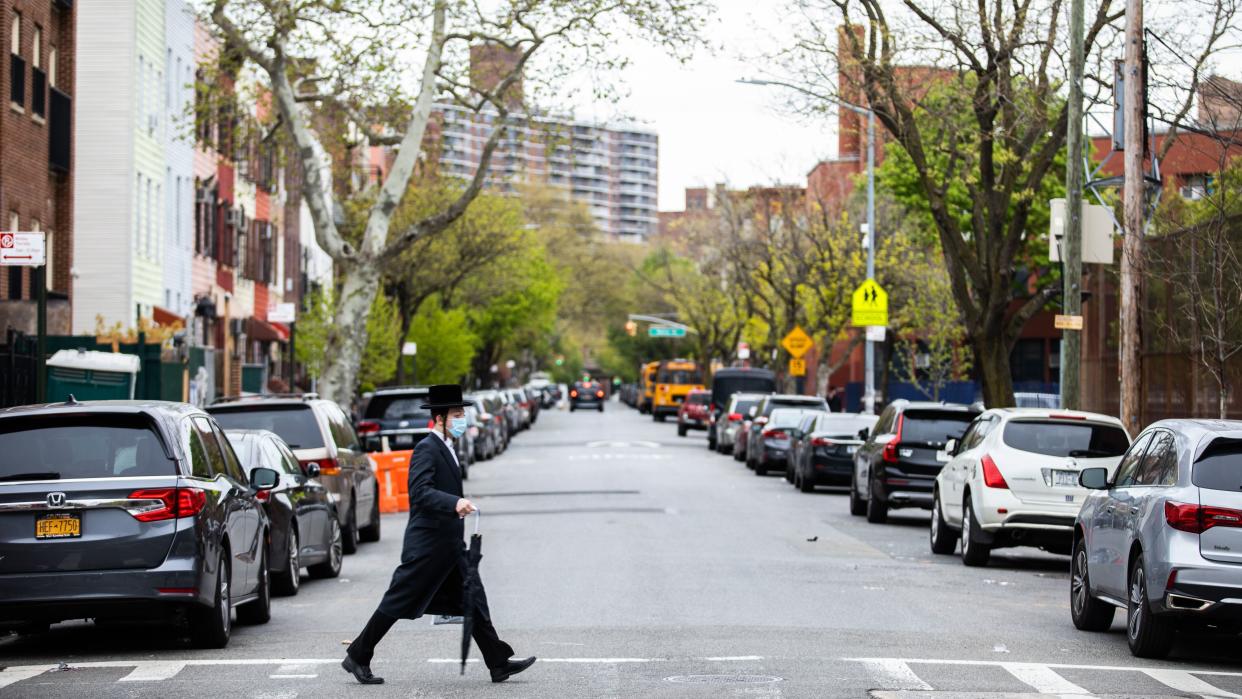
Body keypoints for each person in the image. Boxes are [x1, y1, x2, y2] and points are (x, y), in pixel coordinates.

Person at [342, 384, 536, 685]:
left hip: (449, 545)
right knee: (398, 601)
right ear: (440, 418)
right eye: (457, 414)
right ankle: (358, 654)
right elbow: (419, 493)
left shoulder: (448, 447)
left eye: (462, 414)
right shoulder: (426, 448)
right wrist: (453, 503)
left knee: (474, 599)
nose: (462, 419)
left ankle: (498, 662)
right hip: (428, 546)